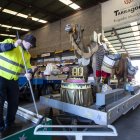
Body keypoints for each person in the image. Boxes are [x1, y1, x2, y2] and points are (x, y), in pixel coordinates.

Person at [0, 34, 36, 136]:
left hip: (13, 80)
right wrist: (13, 45)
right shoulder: (10, 42)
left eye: (32, 45)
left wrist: (30, 73)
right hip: (1, 77)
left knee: (14, 104)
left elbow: (28, 67)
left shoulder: (27, 55)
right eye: (30, 44)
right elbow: (0, 47)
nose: (31, 46)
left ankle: (10, 125)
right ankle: (1, 128)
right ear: (25, 41)